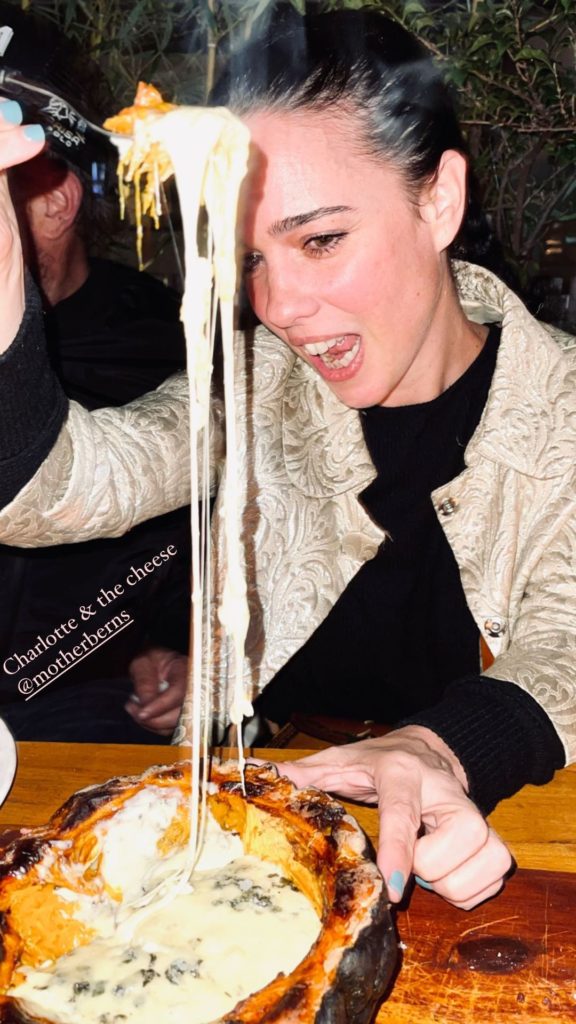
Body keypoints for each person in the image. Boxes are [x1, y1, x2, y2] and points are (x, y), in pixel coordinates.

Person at [0, 8, 574, 912]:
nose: (279, 306)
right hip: (256, 842)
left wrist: (437, 746)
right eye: (251, 259)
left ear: (439, 201)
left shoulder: (561, 403)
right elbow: (62, 487)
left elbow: (562, 643)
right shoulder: (255, 383)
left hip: (513, 841)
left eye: (320, 239)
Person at [0, 1, 191, 740]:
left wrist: (170, 647)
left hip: (78, 718)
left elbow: (208, 545)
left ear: (55, 202)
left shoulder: (168, 349)